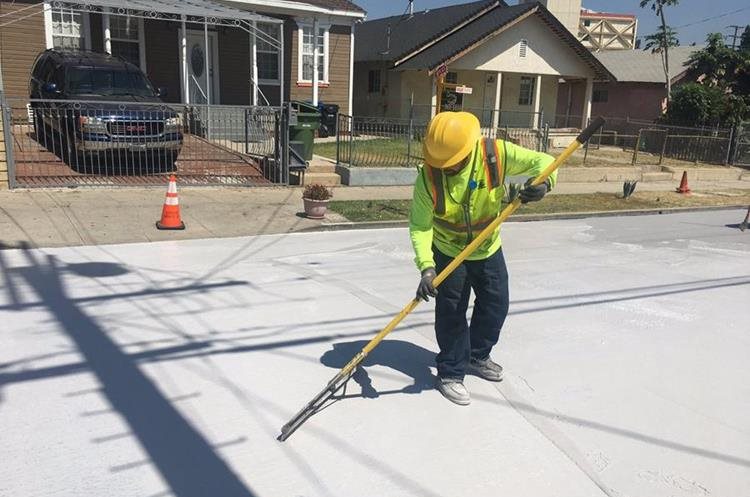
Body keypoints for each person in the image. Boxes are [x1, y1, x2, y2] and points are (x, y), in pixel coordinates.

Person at [409, 111, 557, 405]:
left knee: (495, 303)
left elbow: (544, 162)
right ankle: (450, 371)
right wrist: (427, 267)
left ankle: (477, 355)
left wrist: (544, 184)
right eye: (439, 164)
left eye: (451, 164)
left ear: (469, 150)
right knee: (451, 313)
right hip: (448, 252)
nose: (445, 170)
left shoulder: (494, 154)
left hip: (488, 248)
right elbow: (420, 226)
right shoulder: (428, 177)